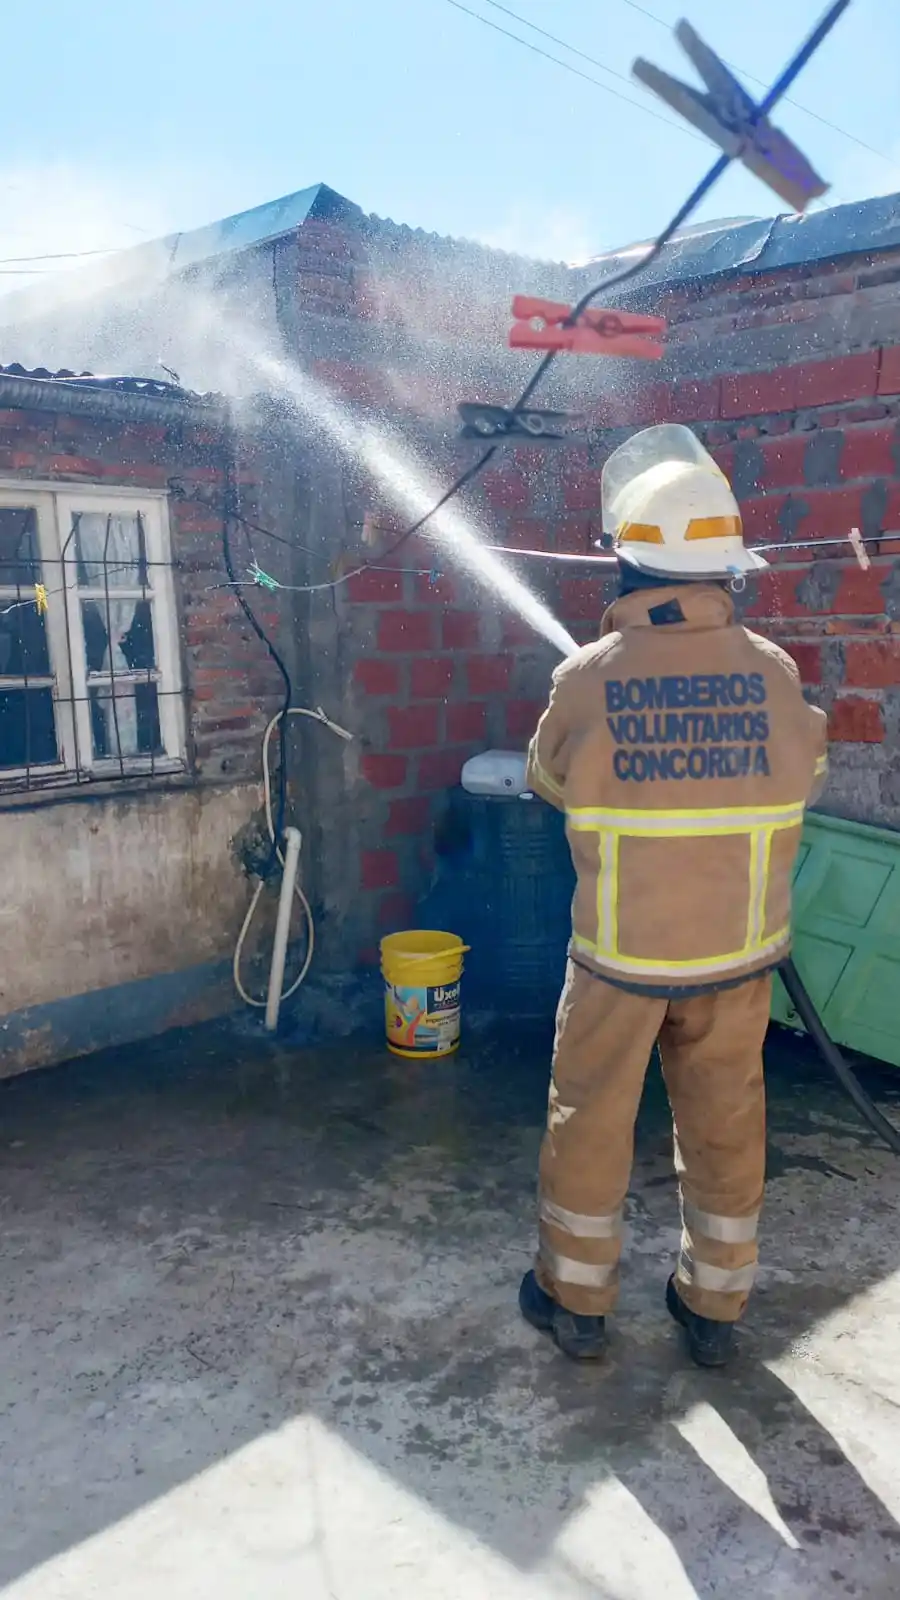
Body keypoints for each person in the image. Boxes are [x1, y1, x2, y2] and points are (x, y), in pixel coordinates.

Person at [520, 423, 828, 1368]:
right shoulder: (775, 676)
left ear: (626, 565)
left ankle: (577, 1301)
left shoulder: (588, 677)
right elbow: (803, 780)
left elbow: (548, 779)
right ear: (724, 572)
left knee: (592, 1120)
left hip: (619, 961)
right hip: (737, 964)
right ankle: (715, 1310)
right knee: (727, 1126)